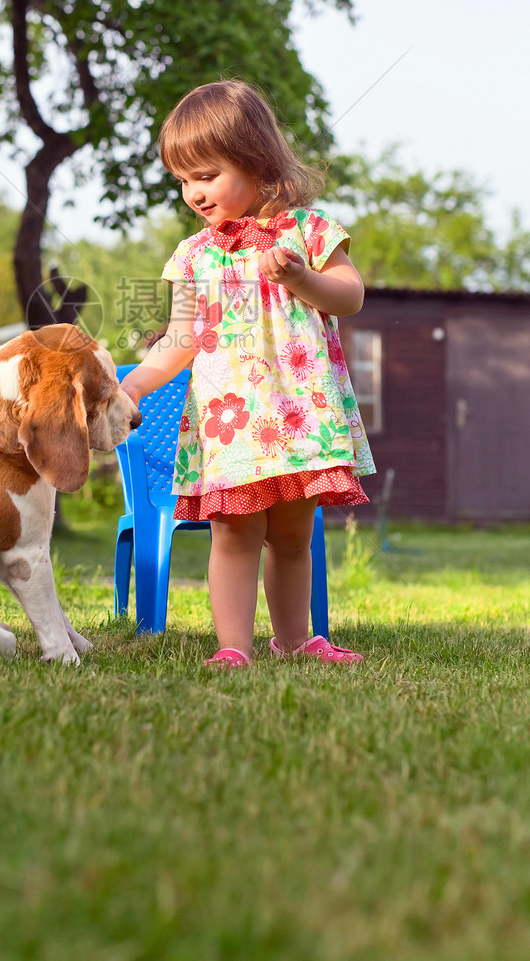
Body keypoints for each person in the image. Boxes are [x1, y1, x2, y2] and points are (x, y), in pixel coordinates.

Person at [120, 80, 375, 667]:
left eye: (206, 175)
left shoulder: (307, 231)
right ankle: (234, 647)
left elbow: (350, 296)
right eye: (183, 180)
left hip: (297, 415)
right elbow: (180, 340)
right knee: (234, 534)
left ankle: (296, 641)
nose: (193, 192)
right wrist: (135, 383)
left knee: (292, 538)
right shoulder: (194, 255)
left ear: (255, 160)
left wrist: (299, 280)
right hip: (228, 423)